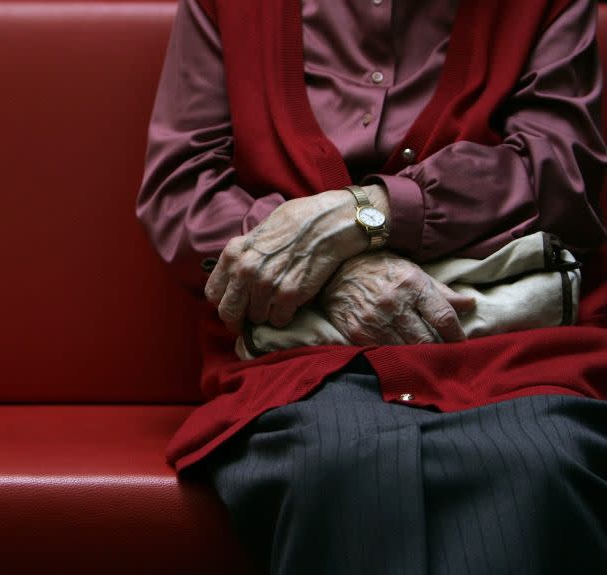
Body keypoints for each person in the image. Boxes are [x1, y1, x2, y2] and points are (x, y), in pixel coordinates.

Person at [137, 0, 607, 573]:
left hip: (511, 352)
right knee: (334, 461)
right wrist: (325, 267)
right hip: (305, 361)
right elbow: (184, 190)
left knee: (539, 465)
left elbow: (561, 174)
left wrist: (369, 214)